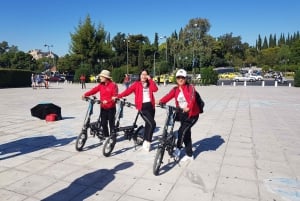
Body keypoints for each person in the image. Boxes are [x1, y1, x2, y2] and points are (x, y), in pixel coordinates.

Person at [156, 69, 200, 162]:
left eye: (182, 77)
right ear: (176, 79)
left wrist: (188, 107)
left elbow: (192, 98)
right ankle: (189, 155)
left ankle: (178, 149)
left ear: (185, 78)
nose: (180, 79)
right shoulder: (175, 89)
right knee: (186, 134)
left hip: (192, 115)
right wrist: (160, 101)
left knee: (181, 131)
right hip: (182, 114)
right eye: (178, 77)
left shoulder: (190, 87)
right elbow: (168, 96)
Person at [113, 69, 158, 152]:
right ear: (139, 75)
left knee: (148, 125)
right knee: (152, 124)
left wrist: (150, 80)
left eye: (145, 74)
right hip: (142, 108)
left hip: (151, 107)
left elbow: (155, 89)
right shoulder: (136, 84)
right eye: (142, 74)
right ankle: (148, 141)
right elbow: (127, 92)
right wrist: (118, 96)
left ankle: (146, 141)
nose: (144, 76)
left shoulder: (149, 83)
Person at [82, 70, 118, 138]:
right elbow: (94, 90)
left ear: (105, 77)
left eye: (101, 76)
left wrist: (108, 101)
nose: (100, 77)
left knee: (111, 124)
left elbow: (115, 97)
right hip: (103, 108)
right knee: (103, 123)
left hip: (111, 108)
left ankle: (112, 137)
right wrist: (85, 94)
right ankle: (107, 137)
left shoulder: (113, 85)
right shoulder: (101, 85)